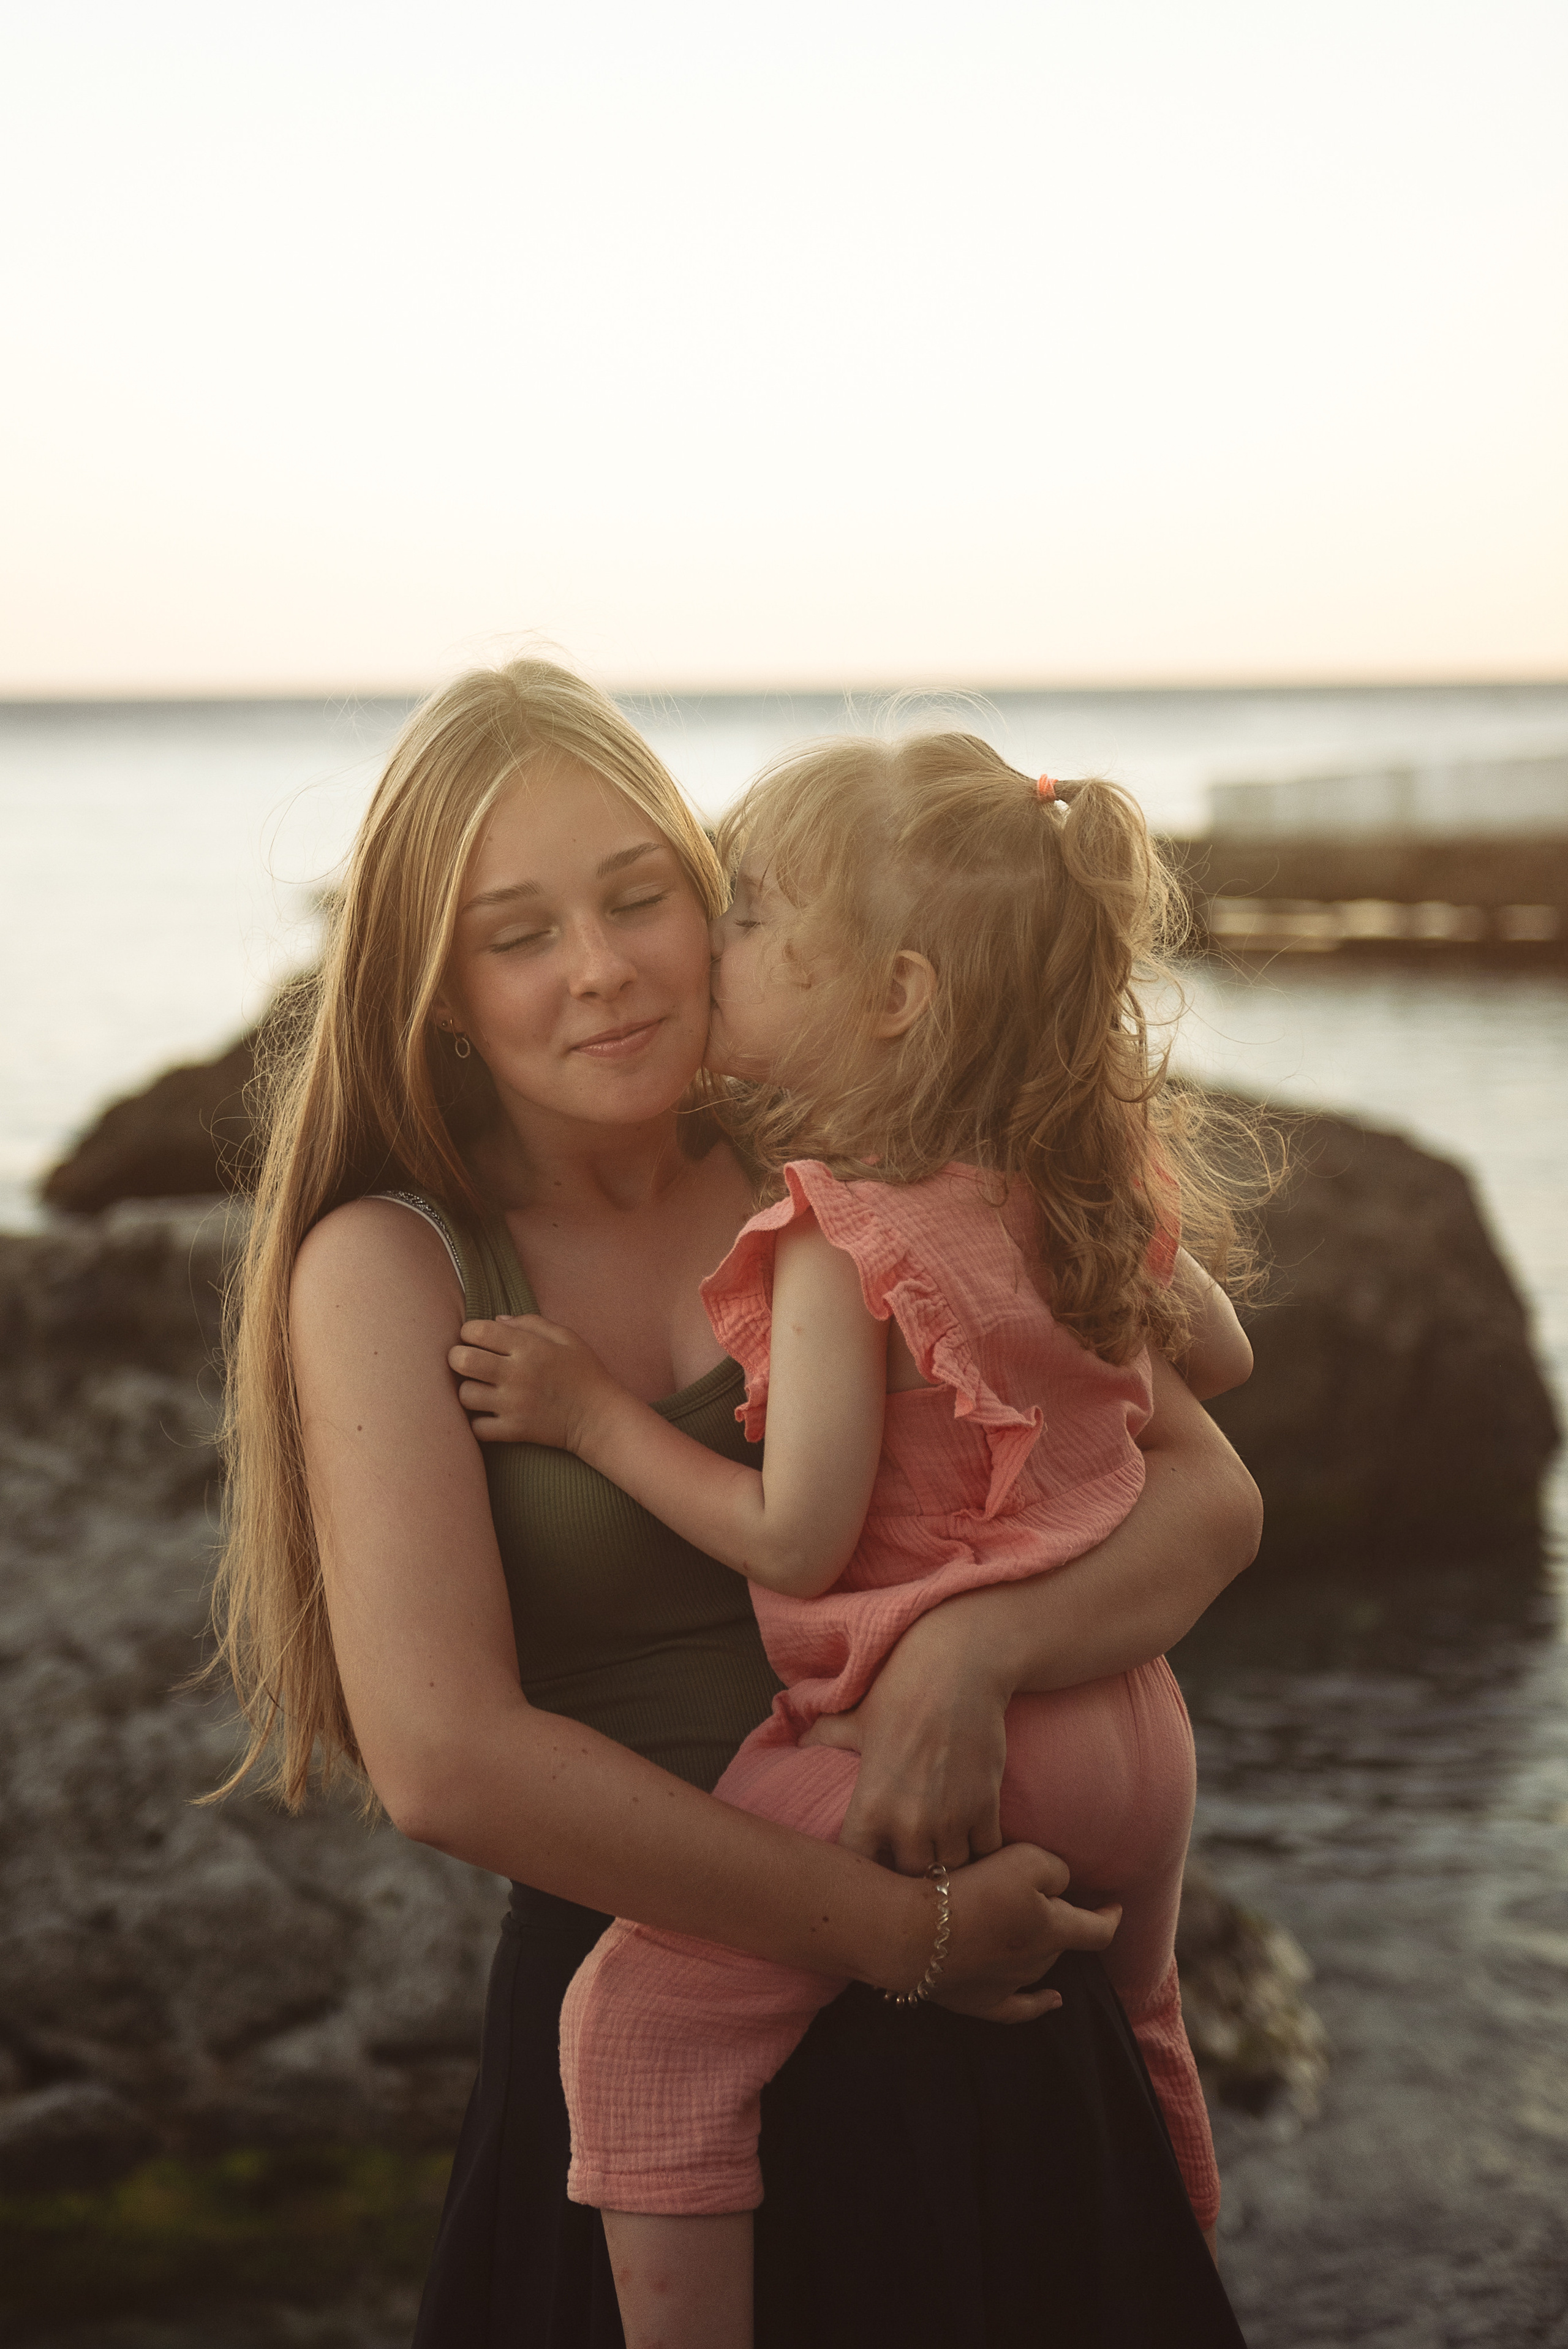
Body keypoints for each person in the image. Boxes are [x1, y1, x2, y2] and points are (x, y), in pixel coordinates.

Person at [208, 658, 1261, 2349]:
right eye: (520, 932)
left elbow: (1207, 1491)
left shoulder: (852, 1163)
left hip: (989, 2018)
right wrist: (902, 1930)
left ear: (724, 908)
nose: (606, 968)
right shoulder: (394, 1266)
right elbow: (446, 1756)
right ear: (438, 988)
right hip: (693, 2048)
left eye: (642, 898)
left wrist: (969, 1656)